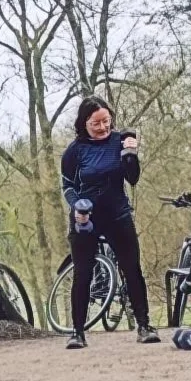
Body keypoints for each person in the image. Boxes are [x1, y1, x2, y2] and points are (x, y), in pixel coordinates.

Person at [59, 97, 159, 349]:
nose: (103, 127)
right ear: (84, 123)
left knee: (132, 269)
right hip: (86, 219)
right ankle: (77, 333)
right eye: (96, 123)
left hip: (117, 215)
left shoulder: (120, 141)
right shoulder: (74, 151)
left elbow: (132, 178)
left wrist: (131, 155)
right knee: (83, 272)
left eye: (106, 121)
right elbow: (68, 186)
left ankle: (144, 326)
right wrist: (77, 207)